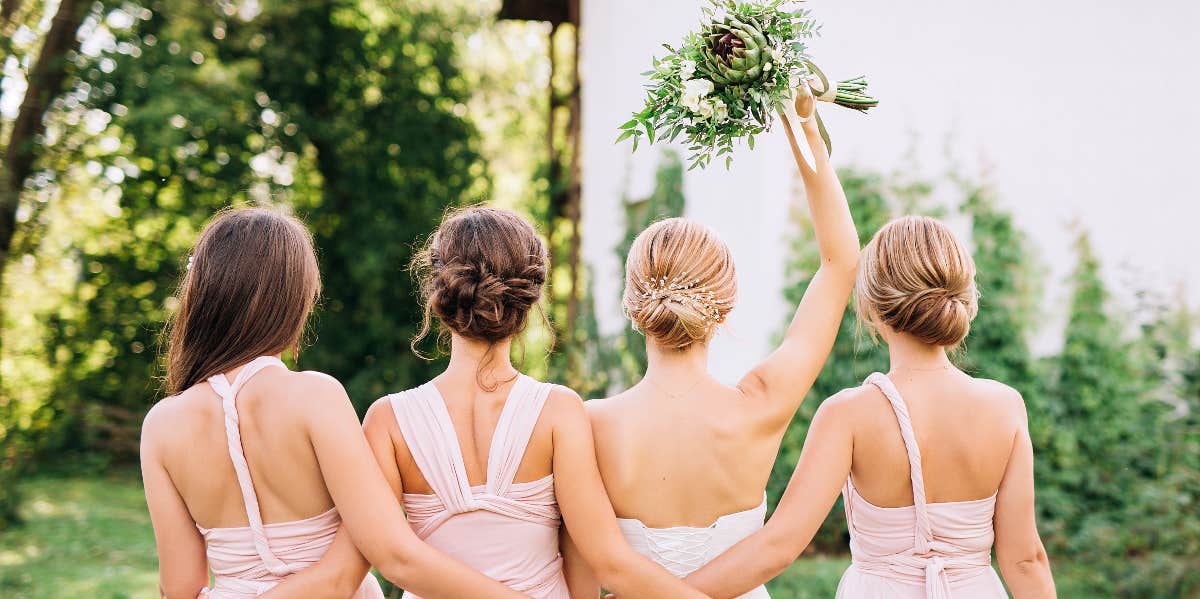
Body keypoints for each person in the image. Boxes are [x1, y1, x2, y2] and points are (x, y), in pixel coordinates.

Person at [141, 207, 527, 598]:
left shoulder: (162, 424)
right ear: (293, 300)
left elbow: (179, 589)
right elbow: (375, 562)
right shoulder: (313, 397)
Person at [574, 82, 860, 599]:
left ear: (632, 307)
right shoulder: (762, 405)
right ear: (725, 308)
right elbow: (841, 264)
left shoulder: (587, 424)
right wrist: (804, 127)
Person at [678, 216, 1057, 598]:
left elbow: (777, 546)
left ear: (874, 309)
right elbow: (1025, 561)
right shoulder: (1005, 407)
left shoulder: (848, 415)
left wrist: (654, 592)